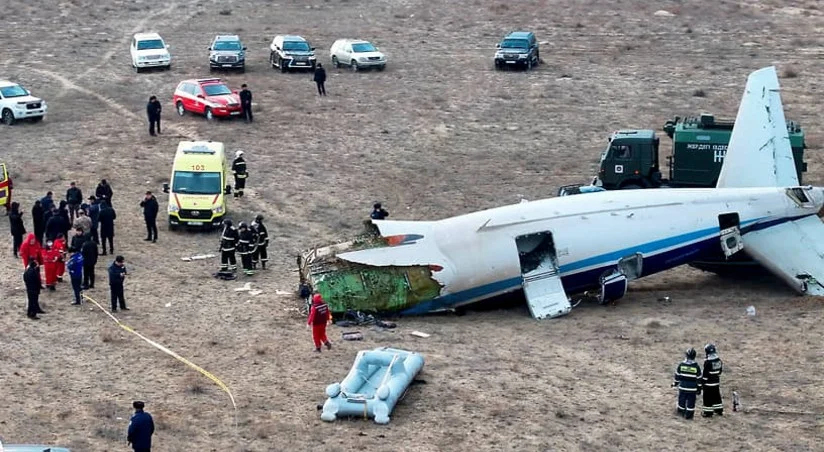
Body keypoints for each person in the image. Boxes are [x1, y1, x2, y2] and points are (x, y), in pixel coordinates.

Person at [672, 347, 702, 420]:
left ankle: (681, 412)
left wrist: (675, 384)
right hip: (692, 389)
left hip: (682, 387)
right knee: (691, 402)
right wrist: (699, 388)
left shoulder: (681, 365)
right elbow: (699, 378)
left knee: (681, 400)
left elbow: (677, 376)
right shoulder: (696, 367)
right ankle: (689, 415)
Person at [701, 343, 724, 417]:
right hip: (716, 382)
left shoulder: (707, 362)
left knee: (707, 398)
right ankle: (719, 410)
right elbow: (720, 371)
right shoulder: (719, 360)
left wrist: (702, 382)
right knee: (716, 396)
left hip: (708, 384)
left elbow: (705, 374)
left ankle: (708, 412)